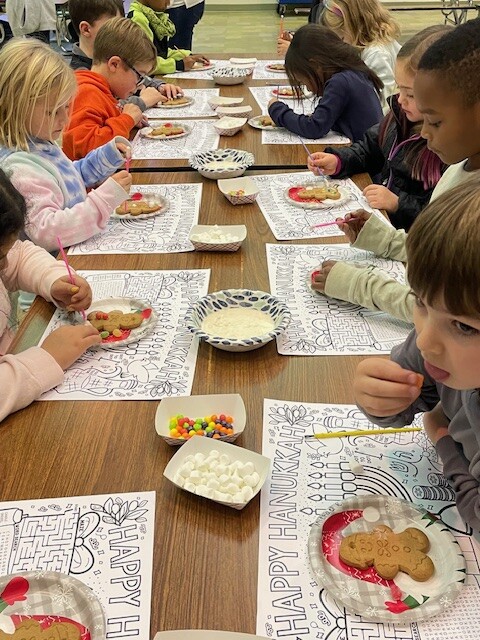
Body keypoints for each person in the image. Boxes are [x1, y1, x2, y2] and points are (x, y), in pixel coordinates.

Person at [308, 18, 480, 324]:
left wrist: (361, 285)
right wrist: (384, 240)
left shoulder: (471, 201)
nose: (424, 133)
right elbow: (440, 253)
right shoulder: (458, 168)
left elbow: (448, 315)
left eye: (435, 122)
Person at [353, 181, 480, 532]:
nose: (425, 340)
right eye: (421, 303)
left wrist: (444, 442)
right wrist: (380, 396)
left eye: (464, 327)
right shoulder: (440, 348)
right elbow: (406, 399)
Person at [307, 26, 450, 232]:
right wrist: (339, 160)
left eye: (410, 94)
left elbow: (438, 218)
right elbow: (369, 148)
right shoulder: (399, 116)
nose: (400, 99)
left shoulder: (447, 148)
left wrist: (397, 203)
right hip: (380, 220)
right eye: (399, 89)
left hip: (406, 236)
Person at [0, 38, 132, 253]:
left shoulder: (39, 141)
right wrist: (104, 200)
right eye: (53, 111)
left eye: (66, 107)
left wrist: (105, 156)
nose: (65, 119)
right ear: (16, 106)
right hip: (57, 271)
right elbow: (47, 232)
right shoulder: (19, 169)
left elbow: (66, 179)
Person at [0, 168, 101, 422]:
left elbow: (18, 256)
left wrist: (53, 280)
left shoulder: (6, 252)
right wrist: (46, 359)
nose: (3, 265)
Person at [268, 24, 383, 142]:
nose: (307, 88)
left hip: (366, 157)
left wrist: (277, 109)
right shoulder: (351, 70)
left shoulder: (339, 82)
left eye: (303, 81)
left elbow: (314, 128)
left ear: (316, 65)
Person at [63, 16, 157, 160]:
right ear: (114, 64)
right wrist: (126, 120)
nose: (139, 84)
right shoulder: (86, 92)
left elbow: (102, 126)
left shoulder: (102, 90)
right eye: (139, 75)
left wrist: (126, 120)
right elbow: (85, 149)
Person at [278, 0, 400, 107]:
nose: (339, 44)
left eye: (340, 38)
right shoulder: (362, 46)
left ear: (353, 27)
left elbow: (381, 106)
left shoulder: (377, 54)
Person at [67, 0, 181, 109]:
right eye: (112, 25)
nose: (120, 31)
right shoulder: (78, 75)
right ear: (86, 29)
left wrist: (159, 86)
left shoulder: (113, 54)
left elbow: (138, 75)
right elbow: (109, 106)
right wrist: (143, 101)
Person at [127, 0, 209, 74]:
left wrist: (187, 55)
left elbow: (161, 52)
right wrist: (178, 65)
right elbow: (144, 63)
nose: (169, 3)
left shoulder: (152, 15)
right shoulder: (138, 19)